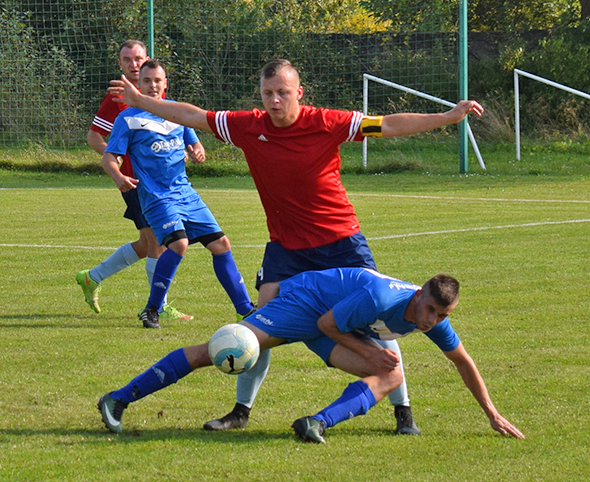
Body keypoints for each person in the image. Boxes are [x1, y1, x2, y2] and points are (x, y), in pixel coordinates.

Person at [107, 59, 485, 434]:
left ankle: (403, 413)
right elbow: (194, 116)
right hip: (287, 249)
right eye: (268, 93)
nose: (275, 101)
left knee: (380, 321)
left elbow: (386, 124)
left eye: (283, 93)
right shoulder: (248, 125)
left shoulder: (327, 122)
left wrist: (448, 117)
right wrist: (142, 102)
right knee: (254, 328)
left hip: (341, 243)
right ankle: (240, 411)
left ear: (299, 93)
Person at [97, 267, 525, 442]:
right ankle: (118, 398)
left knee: (392, 375)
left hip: (334, 320)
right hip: (304, 304)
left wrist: (491, 412)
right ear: (419, 295)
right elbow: (325, 324)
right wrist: (368, 351)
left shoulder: (435, 320)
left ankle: (314, 423)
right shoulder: (382, 297)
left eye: (441, 315)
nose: (432, 320)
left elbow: (463, 361)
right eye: (430, 309)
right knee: (221, 348)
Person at [102, 60, 255, 329]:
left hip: (186, 194)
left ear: (165, 84)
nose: (152, 85)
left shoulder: (175, 113)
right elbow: (109, 157)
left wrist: (198, 152)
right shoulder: (127, 118)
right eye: (147, 81)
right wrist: (118, 176)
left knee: (221, 245)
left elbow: (195, 144)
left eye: (157, 81)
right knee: (179, 244)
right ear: (139, 85)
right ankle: (152, 310)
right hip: (156, 197)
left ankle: (245, 309)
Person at [75, 39, 191, 321]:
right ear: (120, 64)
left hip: (161, 183)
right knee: (157, 243)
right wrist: (116, 158)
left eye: (138, 58)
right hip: (135, 182)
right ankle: (159, 306)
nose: (134, 64)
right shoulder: (118, 96)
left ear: (147, 59)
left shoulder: (155, 93)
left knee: (146, 243)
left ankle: (92, 277)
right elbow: (94, 136)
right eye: (127, 60)